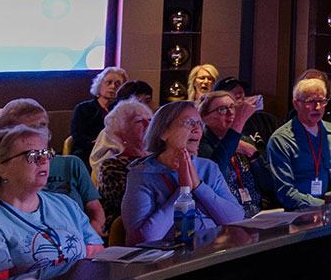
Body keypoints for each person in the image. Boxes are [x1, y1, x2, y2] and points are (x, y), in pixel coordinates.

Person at [0, 126, 103, 280]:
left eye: (45, 153)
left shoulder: (65, 205)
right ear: (0, 169)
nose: (44, 161)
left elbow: (97, 259)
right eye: (32, 155)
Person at [122, 101, 249, 244]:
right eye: (189, 122)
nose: (197, 129)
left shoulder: (208, 168)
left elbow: (235, 219)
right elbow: (143, 238)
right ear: (163, 132)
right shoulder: (142, 175)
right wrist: (183, 192)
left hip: (213, 251)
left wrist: (199, 187)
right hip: (169, 260)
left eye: (200, 124)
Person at [0, 100, 106, 236]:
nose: (40, 133)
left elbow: (95, 210)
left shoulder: (71, 164)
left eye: (43, 125)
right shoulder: (4, 169)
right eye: (30, 128)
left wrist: (88, 237)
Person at [261, 76, 331, 208]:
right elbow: (285, 191)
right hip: (301, 212)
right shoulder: (281, 140)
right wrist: (324, 206)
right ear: (296, 104)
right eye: (311, 102)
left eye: (321, 101)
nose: (317, 107)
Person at [93, 99, 156, 227]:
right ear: (122, 132)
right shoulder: (111, 167)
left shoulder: (160, 159)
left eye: (150, 120)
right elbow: (137, 206)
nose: (147, 125)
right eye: (138, 121)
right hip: (126, 231)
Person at [196, 90, 261, 210]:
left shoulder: (244, 140)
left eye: (233, 107)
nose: (230, 112)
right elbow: (216, 173)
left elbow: (268, 184)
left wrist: (252, 153)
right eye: (222, 110)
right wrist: (239, 122)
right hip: (225, 214)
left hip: (257, 213)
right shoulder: (200, 145)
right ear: (204, 118)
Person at [70, 66, 129, 165]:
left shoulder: (123, 110)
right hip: (88, 149)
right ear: (100, 85)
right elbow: (78, 135)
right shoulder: (83, 108)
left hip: (115, 151)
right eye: (109, 82)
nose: (112, 87)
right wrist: (99, 143)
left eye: (117, 84)